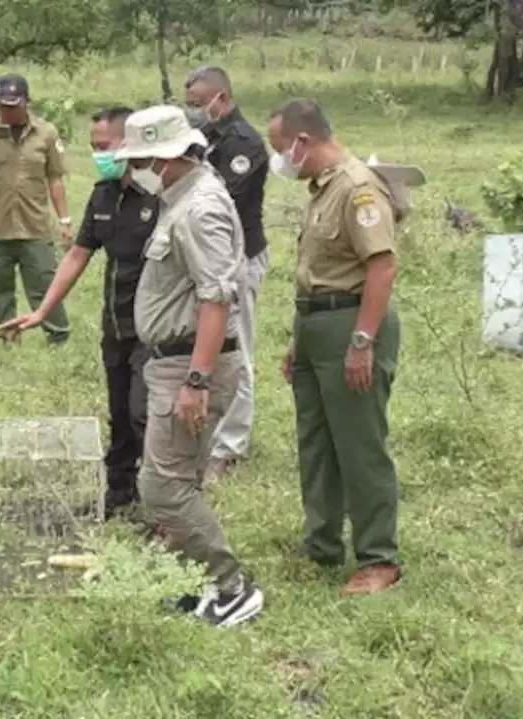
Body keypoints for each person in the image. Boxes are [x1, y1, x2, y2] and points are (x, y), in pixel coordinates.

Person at [113, 104, 264, 628]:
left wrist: (196, 381)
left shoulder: (199, 209)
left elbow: (216, 298)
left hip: (188, 368)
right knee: (180, 478)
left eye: (143, 161)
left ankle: (232, 586)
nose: (135, 172)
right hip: (173, 363)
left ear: (170, 157)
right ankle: (192, 581)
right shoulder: (184, 197)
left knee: (163, 489)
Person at [267, 98, 404, 596]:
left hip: (352, 324)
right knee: (317, 444)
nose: (280, 160)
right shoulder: (321, 189)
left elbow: (381, 267)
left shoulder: (358, 189)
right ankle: (322, 545)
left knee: (359, 447)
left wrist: (362, 342)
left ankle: (379, 559)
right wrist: (297, 340)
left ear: (303, 141)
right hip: (316, 325)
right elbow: (317, 272)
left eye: (280, 149)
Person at [0, 106, 158, 517]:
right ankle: (119, 492)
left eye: (104, 146)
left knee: (146, 415)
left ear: (130, 142)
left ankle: (159, 504)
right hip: (116, 322)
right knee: (120, 413)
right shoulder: (104, 194)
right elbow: (77, 255)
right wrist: (42, 312)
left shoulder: (160, 195)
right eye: (93, 147)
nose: (97, 154)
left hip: (155, 327)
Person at [182, 65, 272, 482]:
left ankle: (230, 445)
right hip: (205, 258)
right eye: (191, 106)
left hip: (239, 258)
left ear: (222, 97)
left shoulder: (244, 143)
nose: (196, 112)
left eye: (200, 104)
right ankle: (204, 432)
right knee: (206, 346)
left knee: (238, 350)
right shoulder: (208, 137)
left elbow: (217, 200)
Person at [0, 72, 74, 347]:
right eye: (2, 106)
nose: (7, 112)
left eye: (13, 106)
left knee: (45, 285)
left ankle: (58, 337)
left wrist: (65, 220)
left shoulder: (46, 134)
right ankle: (8, 339)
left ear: (27, 103)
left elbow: (55, 178)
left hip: (34, 226)